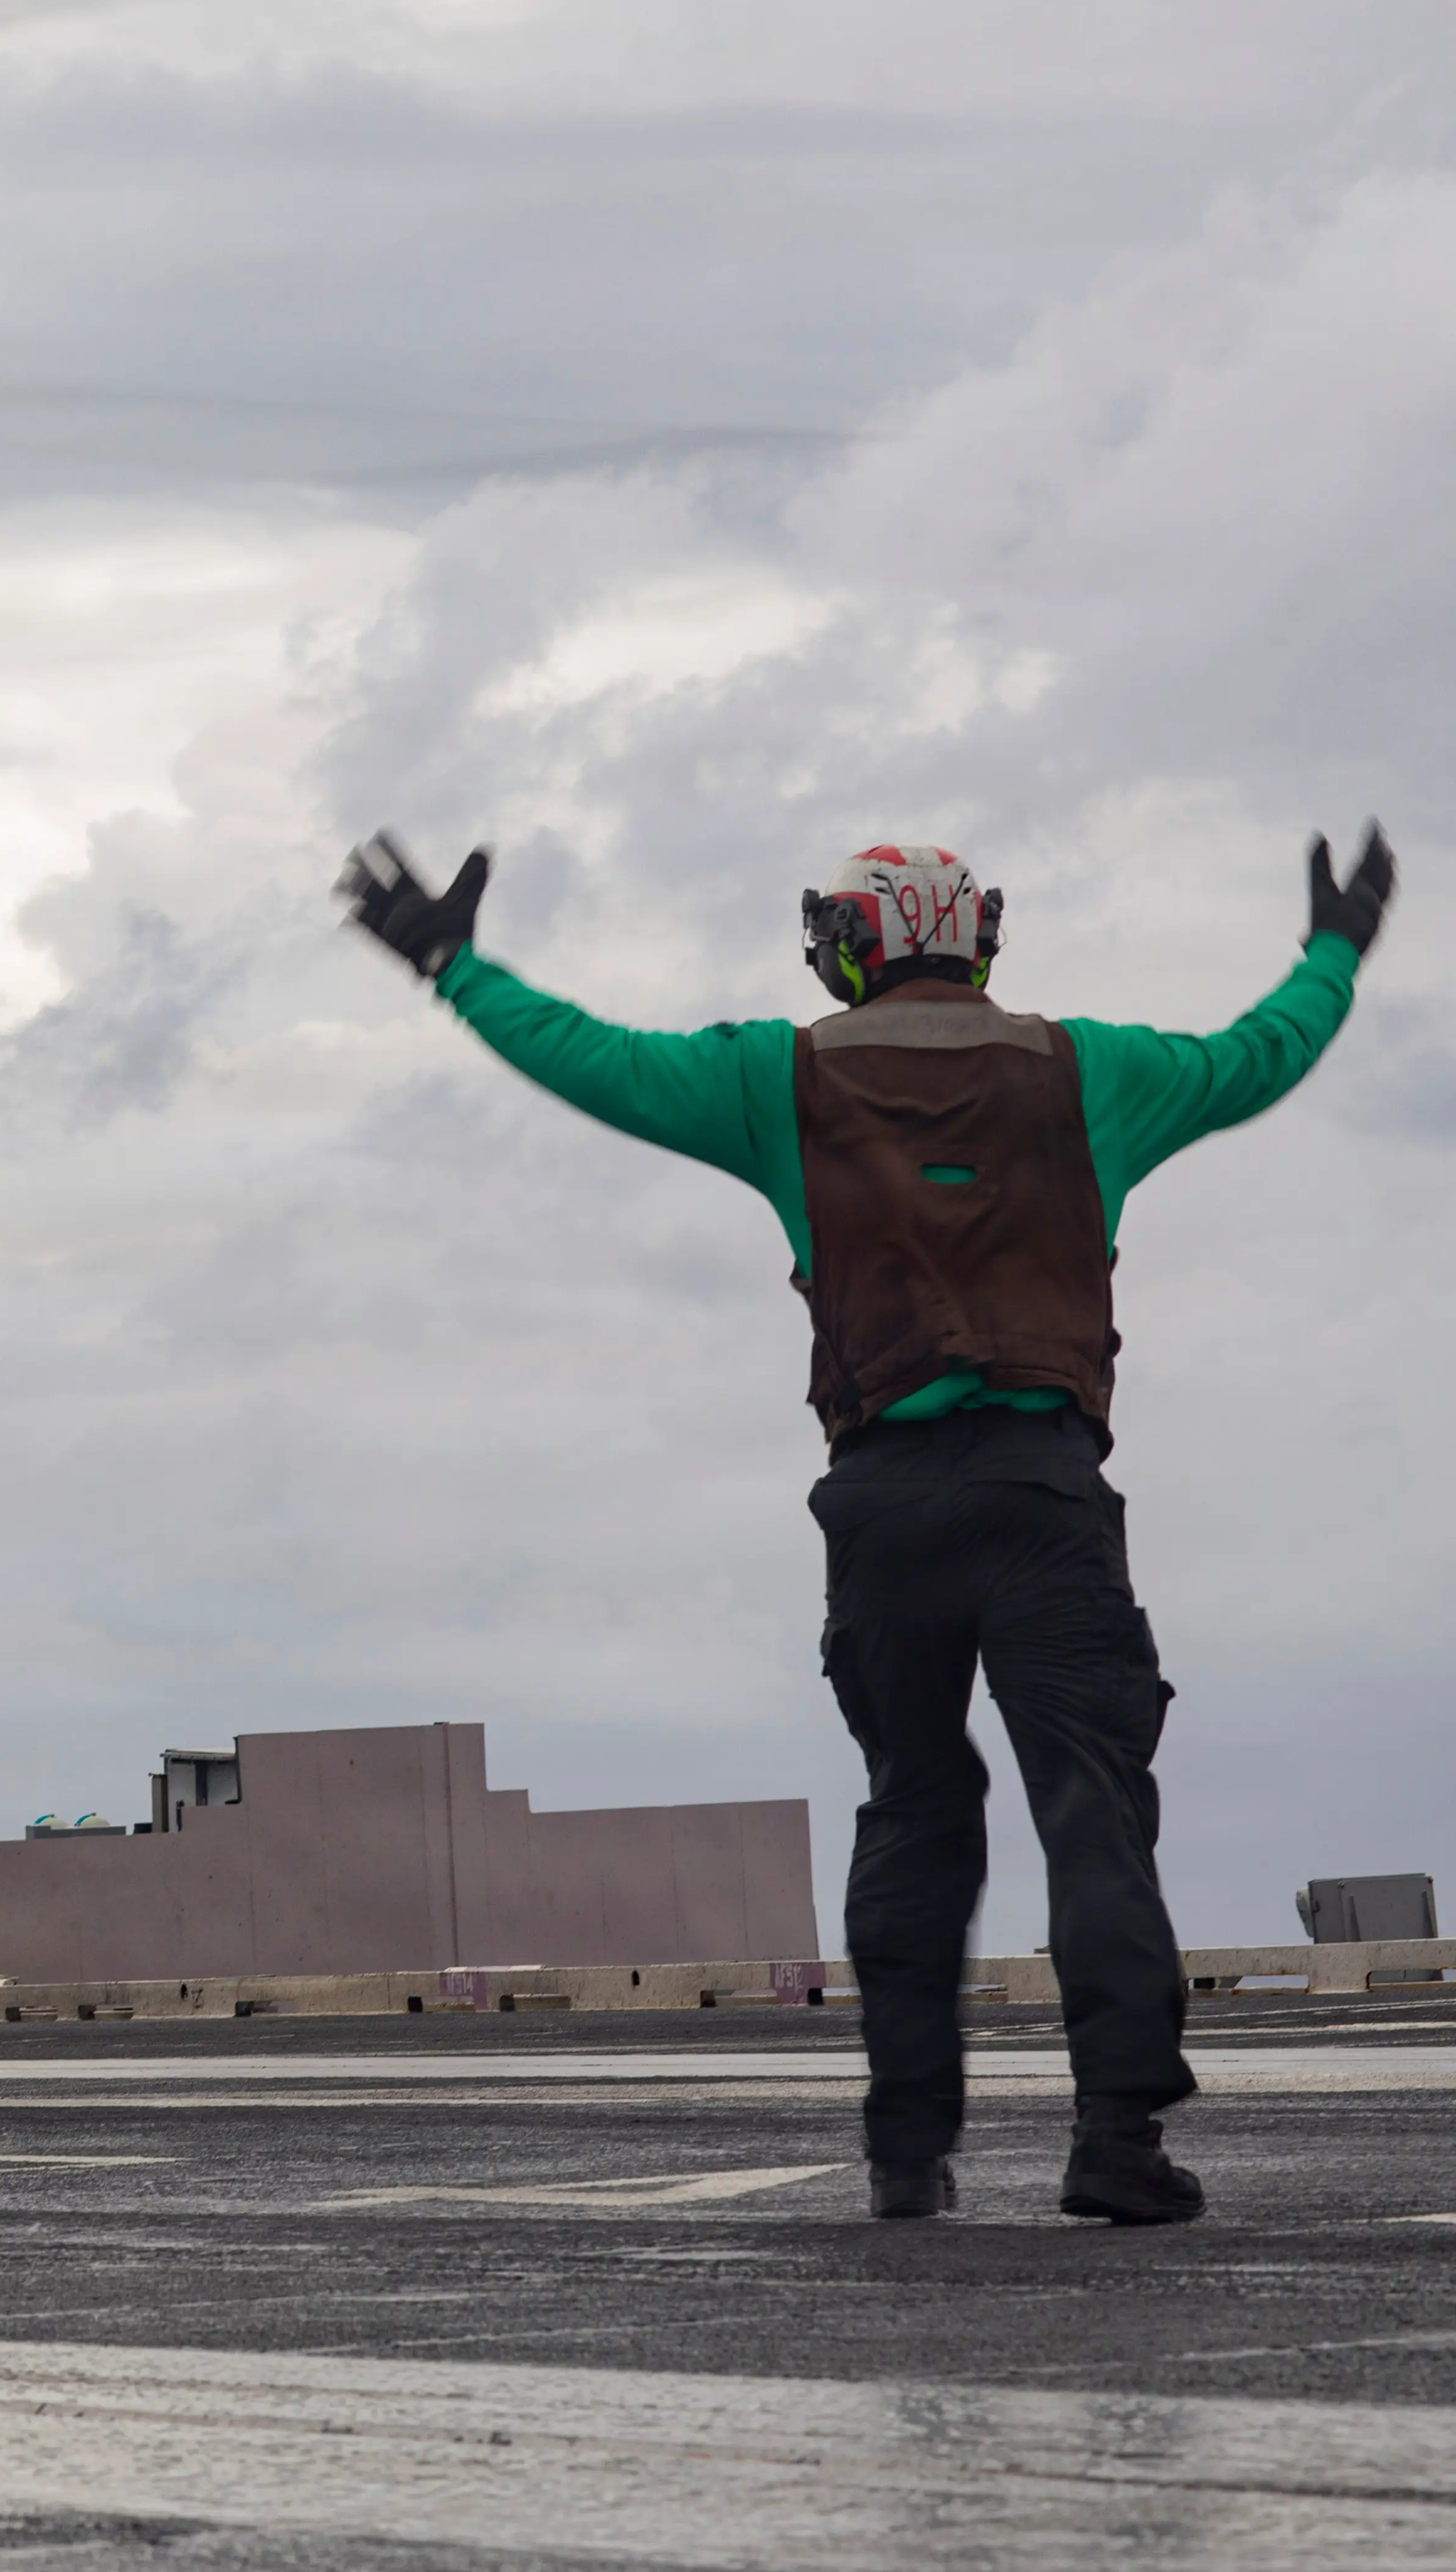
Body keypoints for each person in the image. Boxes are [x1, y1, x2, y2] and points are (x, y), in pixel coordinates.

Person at [339, 826, 1395, 2224]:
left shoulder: (778, 1077)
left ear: (853, 945)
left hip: (882, 1505)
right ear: (979, 938)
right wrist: (1336, 947)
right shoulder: (1093, 1072)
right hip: (1042, 1487)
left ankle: (908, 2156)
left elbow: (588, 1057)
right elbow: (1265, 1051)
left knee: (914, 1804)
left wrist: (450, 965)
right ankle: (1119, 2143)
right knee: (1092, 1806)